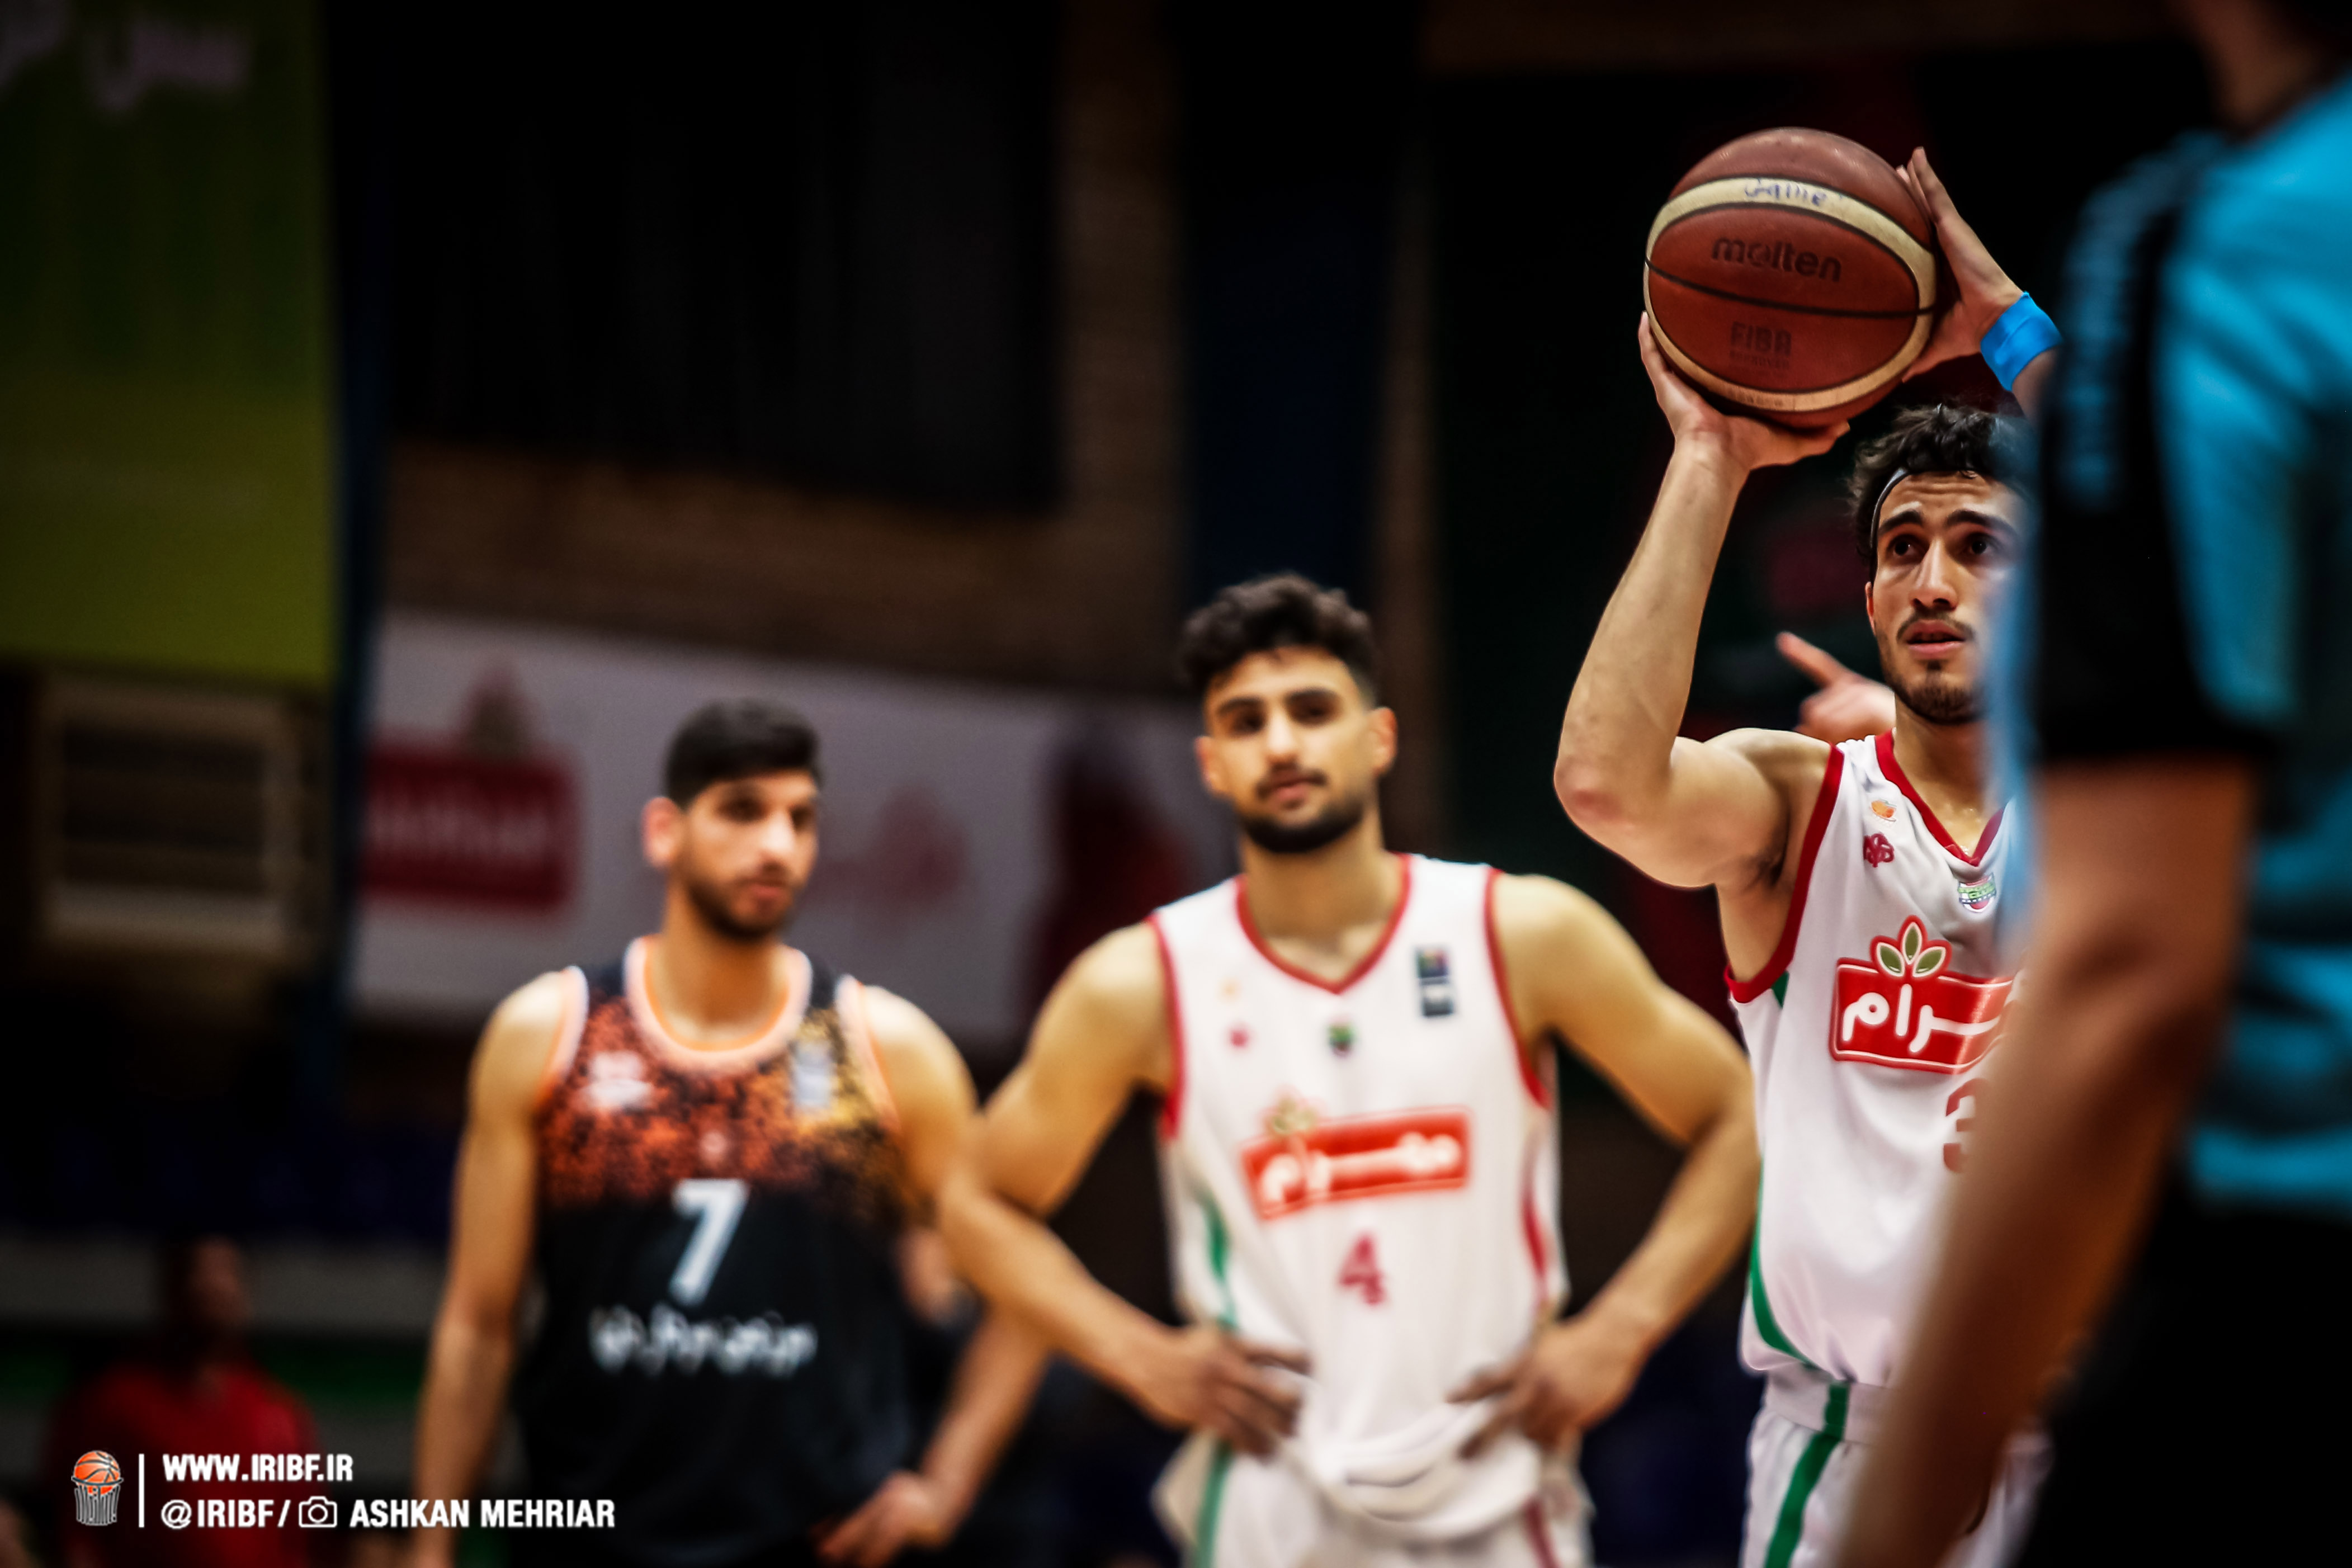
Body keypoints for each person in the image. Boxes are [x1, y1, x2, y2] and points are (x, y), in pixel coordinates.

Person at [939, 575, 1761, 1567]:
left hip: (1498, 1504)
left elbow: (1740, 1111)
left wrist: (1622, 1328)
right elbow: (976, 1201)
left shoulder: (1517, 931)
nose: (1282, 743)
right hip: (1268, 1510)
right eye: (1246, 721)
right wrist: (1140, 1358)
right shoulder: (1143, 980)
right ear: (1211, 764)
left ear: (1377, 737)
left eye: (1311, 709)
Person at [1841, 2, 2352, 1562]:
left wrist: (1891, 1528)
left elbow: (2135, 974)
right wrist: (2016, 333)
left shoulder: (2219, 251)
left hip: (2281, 1284)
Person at [1556, 278, 2052, 1558]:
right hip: (1850, 1445)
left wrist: (2010, 330)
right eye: (1901, 548)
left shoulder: (2117, 817)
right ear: (1868, 595)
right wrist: (1708, 459)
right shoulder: (1800, 797)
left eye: (1980, 546)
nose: (1931, 579)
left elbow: (2227, 566)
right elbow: (1605, 783)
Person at [406, 701, 1046, 1568]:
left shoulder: (886, 1051)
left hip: (816, 1549)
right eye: (743, 811)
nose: (777, 845)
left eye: (800, 819)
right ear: (663, 832)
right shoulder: (550, 1036)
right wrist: (433, 1544)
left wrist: (946, 1486)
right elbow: (479, 1327)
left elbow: (1027, 1293)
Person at [42, 1237, 315, 1568]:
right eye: (199, 1273)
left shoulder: (281, 1413)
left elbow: (298, 1543)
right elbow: (80, 1534)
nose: (213, 1286)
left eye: (226, 1274)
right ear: (171, 1289)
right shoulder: (111, 1404)